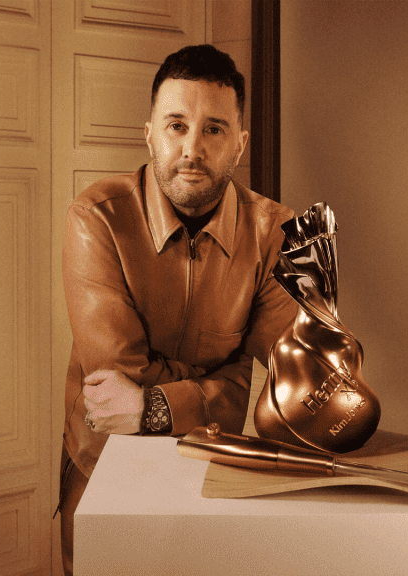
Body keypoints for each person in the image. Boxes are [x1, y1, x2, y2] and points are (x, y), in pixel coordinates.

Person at [57, 44, 298, 574]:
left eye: (214, 129)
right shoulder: (96, 218)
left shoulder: (277, 234)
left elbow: (277, 388)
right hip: (104, 465)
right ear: (150, 135)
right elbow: (115, 379)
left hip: (220, 472)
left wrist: (152, 406)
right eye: (176, 126)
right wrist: (224, 383)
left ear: (240, 144)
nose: (192, 148)